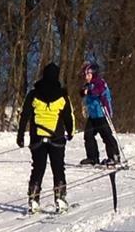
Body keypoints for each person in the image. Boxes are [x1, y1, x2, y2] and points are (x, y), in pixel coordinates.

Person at [16, 62, 75, 214]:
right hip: (57, 138)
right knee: (58, 168)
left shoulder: (33, 94)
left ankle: (34, 199)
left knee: (38, 168)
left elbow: (25, 115)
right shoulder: (62, 95)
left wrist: (20, 135)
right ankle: (60, 198)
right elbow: (68, 116)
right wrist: (70, 132)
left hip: (37, 138)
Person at [79, 63, 120, 166]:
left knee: (106, 135)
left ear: (94, 74)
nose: (86, 77)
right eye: (85, 75)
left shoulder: (100, 82)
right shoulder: (88, 85)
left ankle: (114, 156)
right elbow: (84, 93)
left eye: (88, 74)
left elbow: (98, 91)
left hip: (102, 114)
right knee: (88, 135)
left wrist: (88, 91)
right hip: (93, 115)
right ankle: (92, 157)